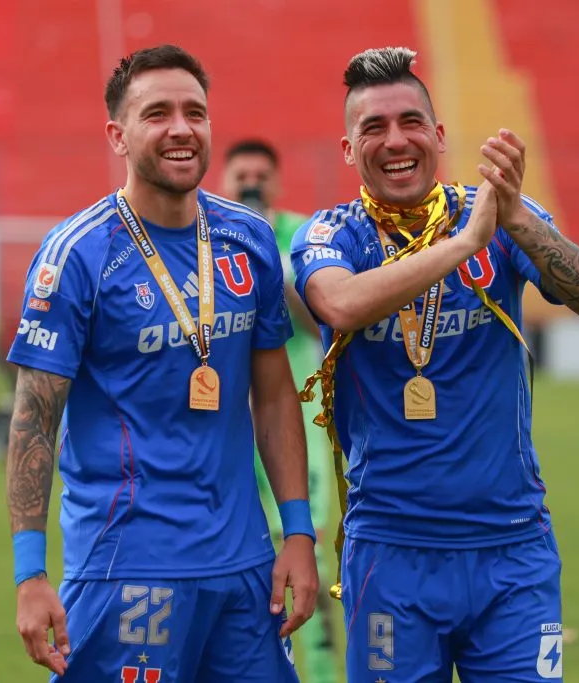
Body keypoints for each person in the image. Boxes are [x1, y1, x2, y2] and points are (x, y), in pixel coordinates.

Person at [291, 47, 579, 683]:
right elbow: (340, 303)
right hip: (391, 553)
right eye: (374, 128)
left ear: (438, 135)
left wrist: (514, 215)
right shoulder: (332, 234)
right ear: (348, 150)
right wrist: (466, 242)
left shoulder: (501, 216)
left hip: (513, 549)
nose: (395, 141)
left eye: (410, 121)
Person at [4, 44, 318, 683]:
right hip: (127, 565)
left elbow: (275, 395)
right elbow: (34, 420)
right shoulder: (78, 255)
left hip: (243, 566)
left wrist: (298, 532)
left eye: (194, 113)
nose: (181, 128)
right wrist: (30, 573)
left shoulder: (249, 239)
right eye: (158, 114)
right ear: (118, 136)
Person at [221, 139, 338, 683]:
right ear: (224, 182)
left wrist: (268, 255)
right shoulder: (206, 234)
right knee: (244, 549)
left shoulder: (303, 236)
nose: (251, 183)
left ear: (277, 181)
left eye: (260, 175)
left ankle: (322, 671)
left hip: (296, 409)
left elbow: (323, 324)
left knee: (307, 541)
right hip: (226, 414)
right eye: (241, 175)